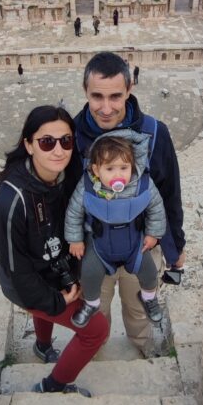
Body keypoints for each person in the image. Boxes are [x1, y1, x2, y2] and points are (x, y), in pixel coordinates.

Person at [69, 52, 185, 356]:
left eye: (115, 96)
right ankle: (96, 351)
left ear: (129, 90)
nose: (106, 108)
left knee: (138, 308)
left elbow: (170, 192)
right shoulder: (70, 135)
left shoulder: (154, 133)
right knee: (97, 308)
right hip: (96, 247)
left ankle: (143, 347)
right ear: (85, 92)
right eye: (97, 96)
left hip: (141, 244)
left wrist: (177, 247)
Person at [0, 105, 108, 395]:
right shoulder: (9, 202)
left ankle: (42, 345)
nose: (59, 150)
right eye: (47, 142)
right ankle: (52, 385)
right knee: (96, 330)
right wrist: (54, 301)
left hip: (55, 266)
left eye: (66, 141)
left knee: (51, 311)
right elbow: (18, 272)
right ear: (29, 145)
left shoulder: (67, 175)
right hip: (26, 282)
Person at [65, 133, 166, 328]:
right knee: (89, 272)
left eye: (124, 168)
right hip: (99, 244)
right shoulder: (87, 186)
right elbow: (73, 213)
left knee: (149, 271)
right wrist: (75, 239)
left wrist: (154, 233)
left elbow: (156, 208)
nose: (118, 175)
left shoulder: (142, 184)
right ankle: (91, 303)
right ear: (96, 169)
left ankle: (149, 297)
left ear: (133, 166)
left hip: (134, 244)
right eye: (110, 169)